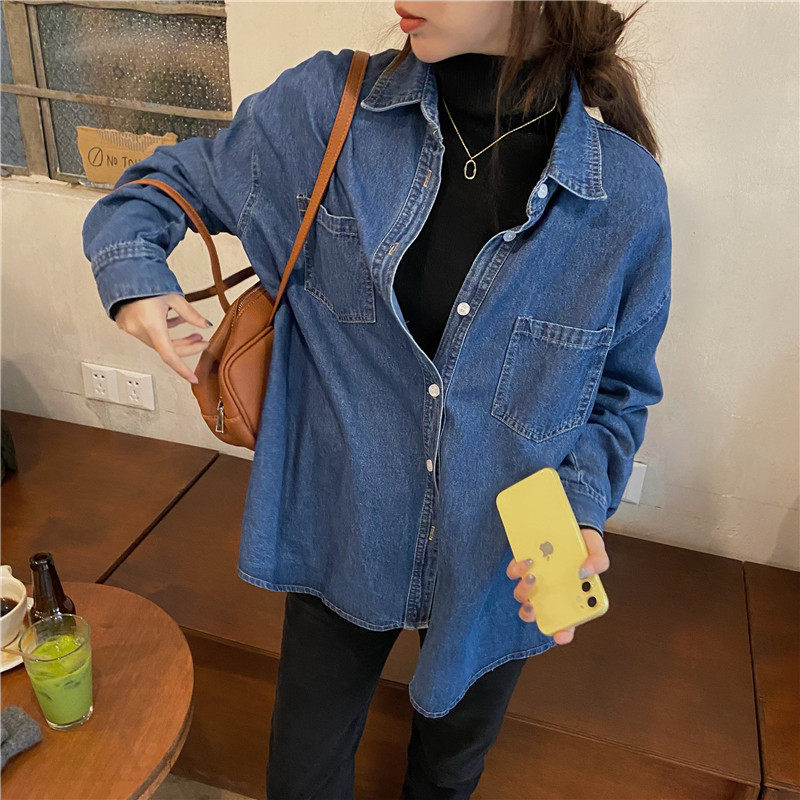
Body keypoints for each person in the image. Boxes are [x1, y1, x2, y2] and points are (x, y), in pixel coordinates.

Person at [82, 1, 671, 797]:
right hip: (342, 528)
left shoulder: (623, 197)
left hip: (499, 564)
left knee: (447, 777)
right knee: (302, 777)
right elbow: (154, 189)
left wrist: (581, 508)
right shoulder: (328, 112)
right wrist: (137, 284)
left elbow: (619, 394)